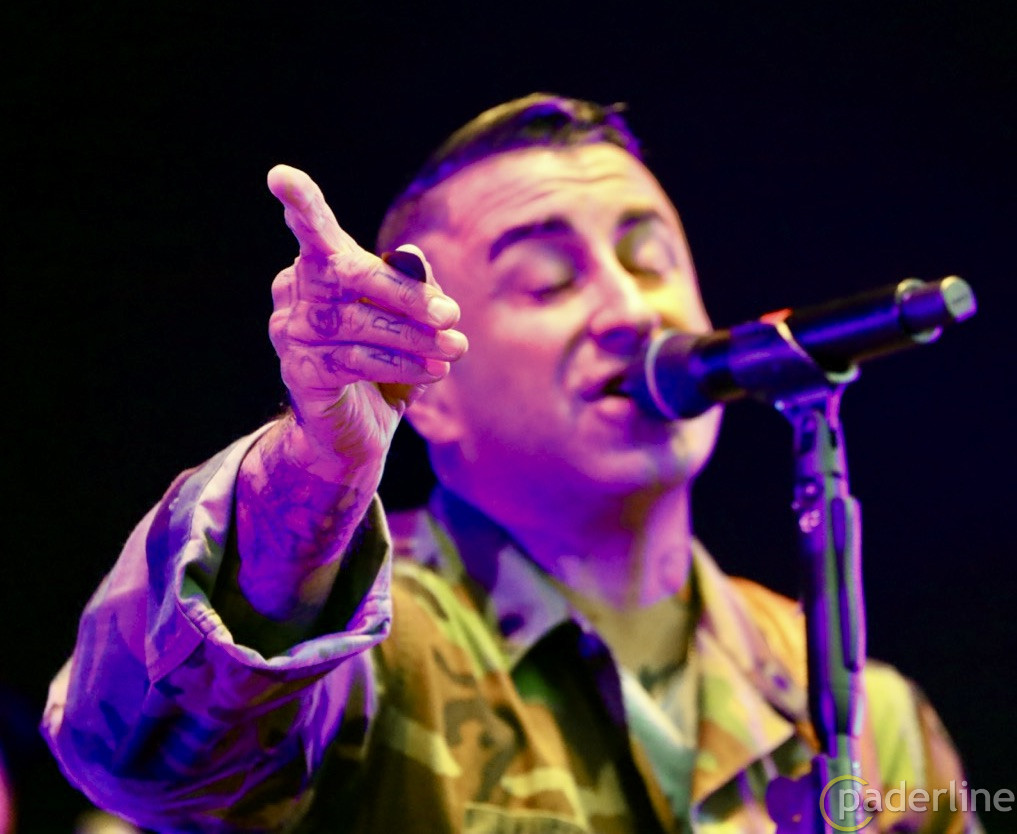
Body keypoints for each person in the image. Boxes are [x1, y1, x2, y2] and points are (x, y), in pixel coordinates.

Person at [43, 94, 978, 833]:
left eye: (648, 260)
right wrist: (312, 470)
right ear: (431, 387)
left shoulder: (865, 714)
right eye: (548, 282)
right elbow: (139, 761)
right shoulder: (368, 660)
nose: (629, 310)